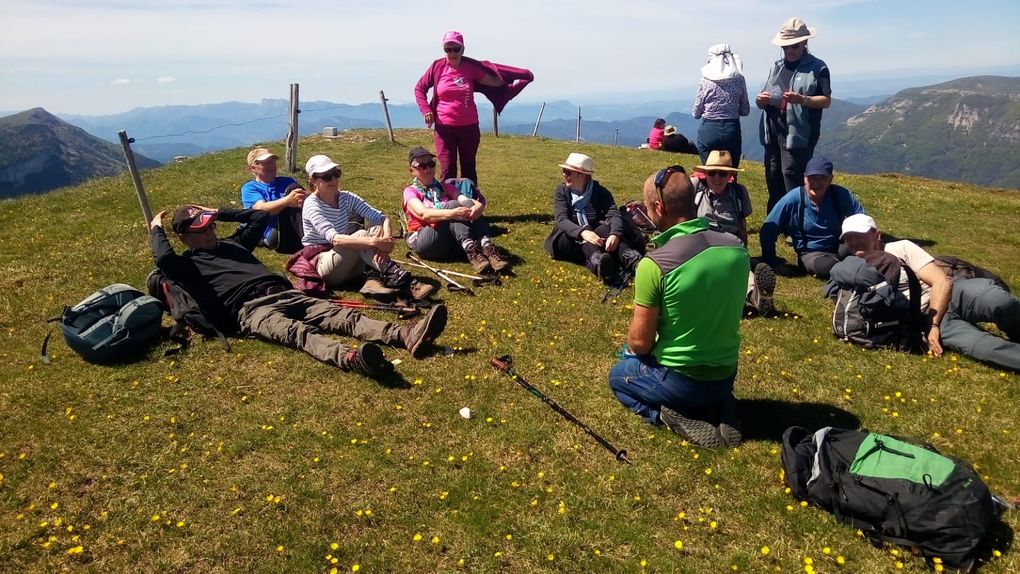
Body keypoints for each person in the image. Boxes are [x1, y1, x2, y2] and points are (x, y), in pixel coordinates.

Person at [149, 205, 449, 378]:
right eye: (202, 230)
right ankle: (351, 358)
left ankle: (405, 335)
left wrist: (218, 212)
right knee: (299, 334)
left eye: (211, 226)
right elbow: (163, 259)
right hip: (250, 310)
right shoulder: (186, 265)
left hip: (285, 293)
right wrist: (156, 228)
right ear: (184, 237)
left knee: (341, 315)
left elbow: (257, 218)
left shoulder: (233, 245)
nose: (211, 232)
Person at [608, 166, 749, 448]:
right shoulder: (737, 249)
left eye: (647, 206)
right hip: (725, 374)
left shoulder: (655, 264)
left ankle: (664, 415)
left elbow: (640, 343)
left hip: (681, 382)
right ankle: (721, 406)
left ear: (659, 207)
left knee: (618, 375)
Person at [839, 214, 1019, 372]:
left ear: (876, 234)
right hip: (923, 316)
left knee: (999, 300)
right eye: (848, 238)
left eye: (859, 236)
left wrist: (934, 326)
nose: (853, 242)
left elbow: (941, 281)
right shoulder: (853, 268)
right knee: (983, 348)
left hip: (951, 293)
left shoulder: (900, 248)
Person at [296, 154, 435, 301]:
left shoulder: (345, 197)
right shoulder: (312, 205)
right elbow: (335, 239)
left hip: (349, 262)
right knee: (362, 234)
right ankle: (402, 280)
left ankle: (378, 277)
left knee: (376, 228)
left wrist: (385, 238)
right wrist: (375, 243)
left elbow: (381, 217)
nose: (334, 180)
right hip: (325, 265)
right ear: (313, 180)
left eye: (336, 174)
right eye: (327, 176)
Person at [414, 30, 533, 185]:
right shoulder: (437, 67)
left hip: (469, 128)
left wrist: (513, 79)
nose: (452, 53)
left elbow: (494, 81)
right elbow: (419, 88)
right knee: (447, 168)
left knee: (468, 169)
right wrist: (426, 110)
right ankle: (447, 206)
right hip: (444, 129)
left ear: (463, 49)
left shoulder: (471, 67)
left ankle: (472, 204)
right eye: (447, 49)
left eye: (455, 49)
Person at [756, 17, 832, 215]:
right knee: (773, 175)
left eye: (794, 46)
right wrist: (761, 100)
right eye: (785, 47)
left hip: (799, 133)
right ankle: (776, 219)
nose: (789, 51)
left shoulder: (818, 68)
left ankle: (798, 220)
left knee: (792, 175)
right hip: (772, 129)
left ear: (805, 43)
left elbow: (826, 100)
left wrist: (802, 99)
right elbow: (766, 93)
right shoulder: (777, 66)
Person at [402, 146, 509, 274]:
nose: (428, 169)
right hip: (426, 242)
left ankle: (486, 247)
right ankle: (473, 250)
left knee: (467, 205)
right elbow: (423, 214)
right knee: (453, 204)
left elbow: (466, 200)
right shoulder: (410, 191)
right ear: (412, 171)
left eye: (431, 164)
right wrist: (453, 212)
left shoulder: (444, 187)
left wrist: (478, 207)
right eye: (422, 166)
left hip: (447, 241)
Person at [691, 150, 775, 313]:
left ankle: (753, 296)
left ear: (730, 175)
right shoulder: (695, 188)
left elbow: (741, 226)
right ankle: (739, 298)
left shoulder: (738, 192)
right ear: (705, 173)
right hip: (702, 247)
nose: (716, 178)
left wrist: (744, 252)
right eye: (712, 173)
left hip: (730, 247)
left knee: (739, 266)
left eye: (722, 174)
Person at [544, 153, 644, 285]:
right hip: (569, 237)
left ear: (582, 175)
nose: (564, 175)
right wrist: (583, 233)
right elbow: (562, 219)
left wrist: (615, 234)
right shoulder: (561, 191)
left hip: (596, 233)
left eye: (568, 172)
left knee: (604, 230)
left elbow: (613, 214)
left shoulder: (601, 192)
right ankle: (600, 264)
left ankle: (631, 260)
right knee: (585, 241)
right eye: (564, 171)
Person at [759, 157, 864, 278]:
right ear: (804, 178)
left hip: (838, 246)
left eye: (822, 178)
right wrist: (772, 262)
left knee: (868, 246)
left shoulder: (840, 194)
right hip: (811, 253)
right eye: (812, 177)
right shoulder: (793, 198)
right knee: (825, 267)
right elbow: (768, 230)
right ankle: (853, 265)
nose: (816, 183)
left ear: (831, 179)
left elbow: (863, 220)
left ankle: (849, 264)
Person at [240, 147, 307, 253]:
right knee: (293, 191)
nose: (271, 166)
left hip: (297, 229)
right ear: (253, 168)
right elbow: (262, 211)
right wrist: (287, 201)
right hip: (277, 235)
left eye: (272, 162)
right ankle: (310, 242)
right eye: (265, 163)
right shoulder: (250, 188)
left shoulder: (287, 181)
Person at [692, 44, 750, 167]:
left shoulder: (705, 81)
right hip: (731, 129)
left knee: (709, 170)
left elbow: (696, 113)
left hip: (709, 128)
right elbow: (745, 110)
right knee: (731, 170)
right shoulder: (739, 80)